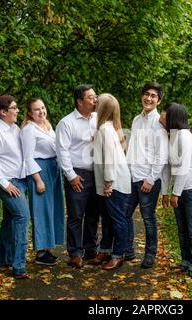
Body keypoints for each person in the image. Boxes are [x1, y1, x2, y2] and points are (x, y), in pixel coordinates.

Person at [55, 84, 110, 268]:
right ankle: (75, 253)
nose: (95, 100)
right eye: (91, 97)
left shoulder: (98, 119)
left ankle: (90, 249)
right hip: (77, 174)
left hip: (97, 173)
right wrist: (71, 176)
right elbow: (62, 151)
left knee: (94, 214)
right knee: (76, 215)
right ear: (79, 101)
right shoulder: (67, 123)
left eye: (96, 96)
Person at [0, 95, 30, 279]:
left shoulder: (14, 128)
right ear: (3, 112)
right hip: (7, 182)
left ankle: (3, 260)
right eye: (14, 108)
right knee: (22, 217)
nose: (17, 110)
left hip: (19, 181)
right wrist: (6, 184)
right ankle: (19, 267)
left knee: (9, 220)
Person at [125, 82, 169, 268]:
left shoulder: (159, 123)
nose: (148, 98)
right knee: (125, 214)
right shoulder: (136, 120)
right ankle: (128, 251)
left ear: (158, 101)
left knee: (148, 217)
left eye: (153, 96)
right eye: (146, 94)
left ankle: (150, 254)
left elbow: (162, 155)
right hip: (132, 176)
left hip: (148, 180)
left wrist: (151, 179)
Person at [161, 102, 192, 279]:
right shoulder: (171, 136)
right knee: (182, 228)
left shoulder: (184, 136)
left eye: (166, 112)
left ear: (173, 116)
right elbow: (166, 167)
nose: (162, 114)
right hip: (182, 189)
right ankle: (186, 261)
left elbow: (183, 167)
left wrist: (176, 193)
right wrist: (165, 192)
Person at [20, 98, 65, 266]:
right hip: (40, 171)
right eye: (37, 110)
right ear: (30, 113)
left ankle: (47, 248)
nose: (41, 111)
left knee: (53, 209)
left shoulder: (47, 126)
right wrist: (38, 180)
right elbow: (28, 157)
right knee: (41, 210)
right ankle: (40, 252)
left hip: (53, 169)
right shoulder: (29, 130)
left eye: (43, 108)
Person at [92, 93, 131, 270]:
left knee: (117, 220)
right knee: (107, 219)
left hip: (113, 183)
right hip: (109, 182)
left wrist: (108, 183)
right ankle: (106, 250)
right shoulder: (108, 127)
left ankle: (118, 255)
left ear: (102, 108)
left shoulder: (105, 130)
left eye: (96, 102)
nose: (94, 103)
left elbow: (109, 159)